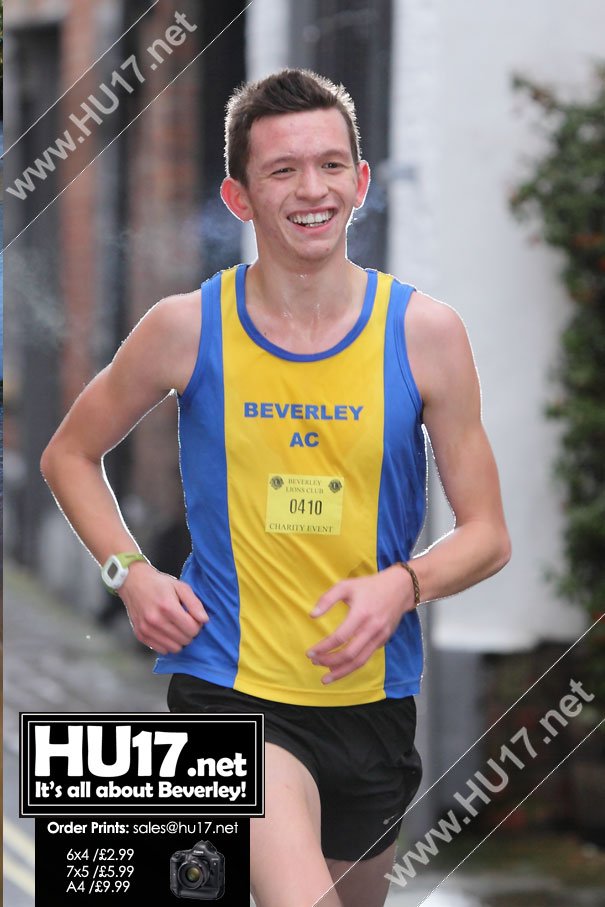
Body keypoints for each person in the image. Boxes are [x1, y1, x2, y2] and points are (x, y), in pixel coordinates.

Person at [41, 69, 511, 907]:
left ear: (360, 183)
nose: (311, 189)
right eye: (282, 170)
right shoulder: (185, 327)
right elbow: (69, 453)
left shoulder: (425, 334)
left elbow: (486, 534)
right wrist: (131, 572)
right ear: (238, 196)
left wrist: (400, 586)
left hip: (371, 701)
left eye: (331, 165)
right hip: (228, 690)